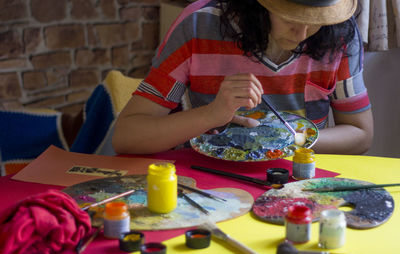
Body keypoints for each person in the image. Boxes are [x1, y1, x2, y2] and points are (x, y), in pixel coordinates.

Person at [112, 0, 373, 156]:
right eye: (289, 17)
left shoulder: (338, 33)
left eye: (314, 20)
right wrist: (211, 115)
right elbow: (126, 137)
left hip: (300, 180)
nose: (302, 33)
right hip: (208, 181)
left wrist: (287, 139)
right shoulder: (198, 24)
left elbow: (361, 133)